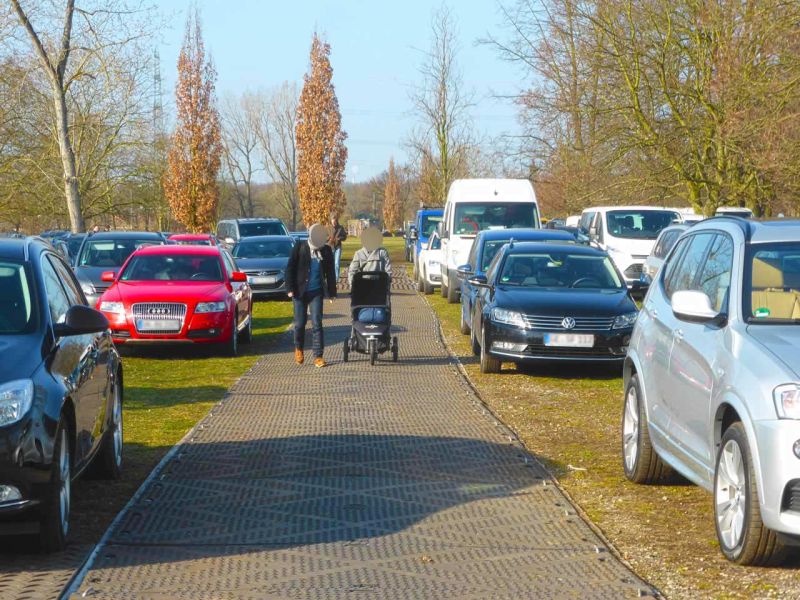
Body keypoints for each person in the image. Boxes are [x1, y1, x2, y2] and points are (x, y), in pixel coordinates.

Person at [285, 223, 338, 367]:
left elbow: (330, 273)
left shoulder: (326, 251)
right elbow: (290, 268)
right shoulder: (300, 247)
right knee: (300, 323)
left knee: (317, 323)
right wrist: (289, 288)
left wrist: (332, 293)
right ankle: (299, 349)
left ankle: (318, 356)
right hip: (299, 292)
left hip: (316, 292)